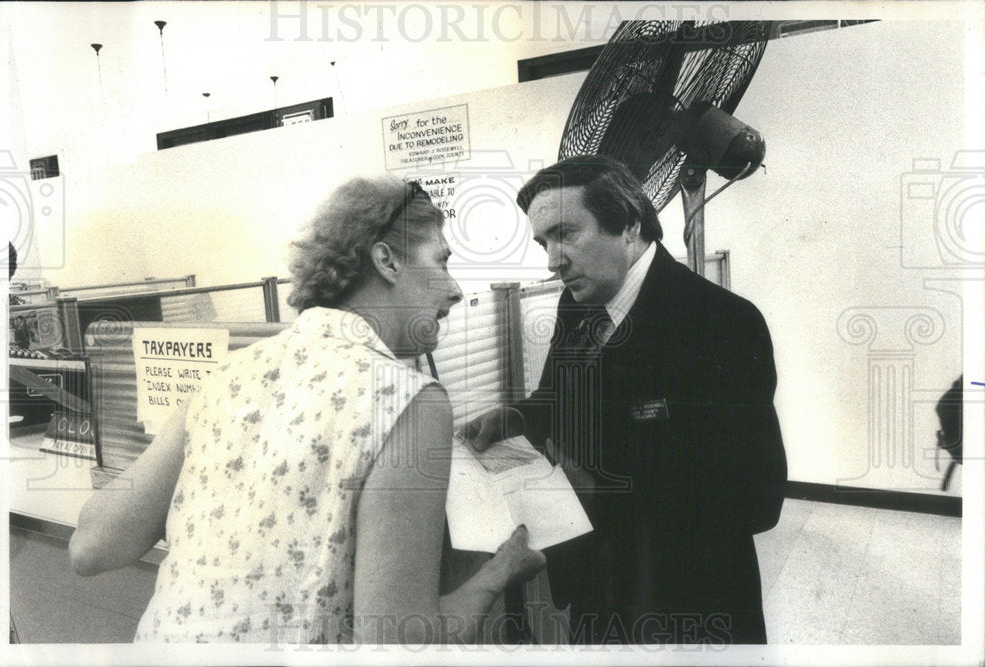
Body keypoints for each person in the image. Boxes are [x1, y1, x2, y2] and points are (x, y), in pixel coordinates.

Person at [69, 175, 545, 644]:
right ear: (387, 261)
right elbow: (396, 642)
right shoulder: (407, 397)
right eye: (442, 262)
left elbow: (91, 546)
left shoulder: (224, 374)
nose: (455, 289)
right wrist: (498, 573)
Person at [462, 155, 787, 645]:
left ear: (630, 224)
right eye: (543, 242)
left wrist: (600, 489)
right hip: (597, 585)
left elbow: (756, 500)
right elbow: (556, 397)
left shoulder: (721, 322)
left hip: (686, 600)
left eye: (566, 233)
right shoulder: (579, 303)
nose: (552, 260)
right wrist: (510, 417)